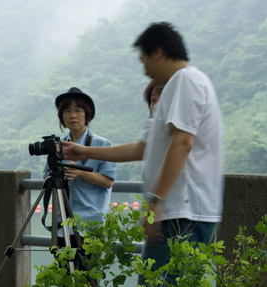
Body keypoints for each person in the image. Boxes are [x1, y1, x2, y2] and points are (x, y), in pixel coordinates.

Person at [62, 22, 224, 285]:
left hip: (181, 212)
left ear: (158, 52)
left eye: (144, 60)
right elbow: (143, 148)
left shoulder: (185, 80)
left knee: (158, 282)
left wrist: (156, 202)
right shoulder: (175, 87)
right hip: (176, 213)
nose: (145, 69)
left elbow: (182, 144)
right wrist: (84, 151)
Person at [42, 87, 116, 270]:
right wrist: (52, 175)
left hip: (91, 225)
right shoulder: (57, 146)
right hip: (62, 224)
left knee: (89, 278)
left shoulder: (102, 145)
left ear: (87, 114)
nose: (72, 115)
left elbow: (108, 180)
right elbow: (46, 175)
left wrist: (80, 172)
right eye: (67, 111)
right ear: (61, 117)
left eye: (78, 110)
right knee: (64, 277)